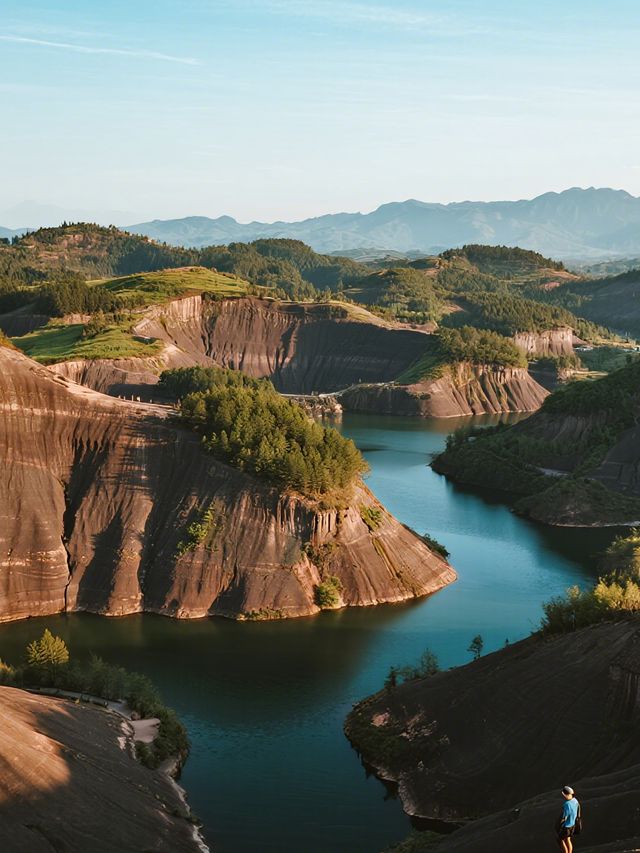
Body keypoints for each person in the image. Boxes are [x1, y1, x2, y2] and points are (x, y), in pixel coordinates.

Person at [556, 786, 580, 852]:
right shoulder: (575, 801)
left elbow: (564, 817)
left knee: (560, 839)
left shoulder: (567, 804)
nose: (564, 796)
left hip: (566, 826)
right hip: (573, 825)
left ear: (568, 795)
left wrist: (559, 825)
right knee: (568, 839)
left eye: (565, 795)